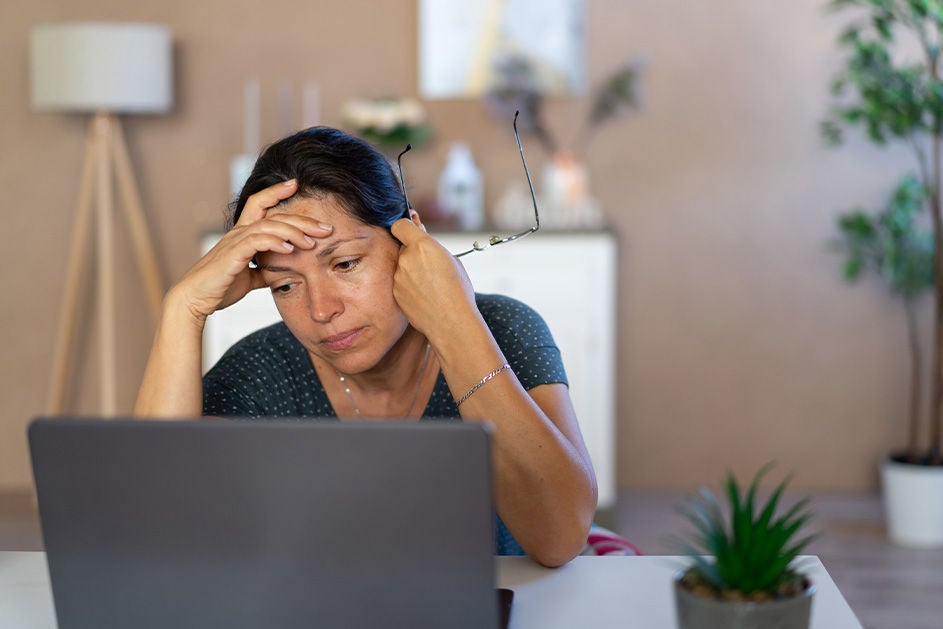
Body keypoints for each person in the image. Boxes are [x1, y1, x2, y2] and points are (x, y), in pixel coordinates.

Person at [134, 126, 597, 567]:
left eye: (346, 263)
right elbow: (152, 529)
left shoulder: (501, 327)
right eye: (285, 286)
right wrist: (183, 308)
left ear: (410, 239)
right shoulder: (261, 368)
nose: (321, 309)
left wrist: (455, 322)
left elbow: (559, 537)